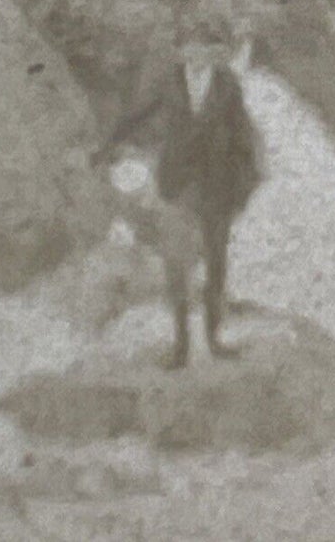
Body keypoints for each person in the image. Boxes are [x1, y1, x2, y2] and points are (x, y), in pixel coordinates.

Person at [90, 46, 263, 369]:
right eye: (192, 46)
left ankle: (214, 339)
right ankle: (181, 345)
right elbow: (138, 116)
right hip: (179, 185)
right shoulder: (170, 82)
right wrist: (107, 145)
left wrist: (246, 183)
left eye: (206, 46)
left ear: (216, 52)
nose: (197, 54)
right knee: (176, 262)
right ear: (184, 51)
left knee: (215, 263)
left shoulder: (227, 85)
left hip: (218, 185)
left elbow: (242, 132)